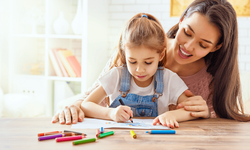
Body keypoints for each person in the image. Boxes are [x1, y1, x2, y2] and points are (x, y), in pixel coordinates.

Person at [52, 0, 250, 125]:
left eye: (203, 44)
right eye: (187, 32)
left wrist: (207, 112)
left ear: (216, 47)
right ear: (181, 20)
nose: (188, 46)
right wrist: (76, 105)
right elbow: (92, 97)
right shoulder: (142, 46)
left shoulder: (211, 77)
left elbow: (217, 119)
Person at [80, 13, 197, 128]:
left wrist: (173, 115)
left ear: (161, 55)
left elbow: (192, 110)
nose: (139, 70)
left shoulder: (169, 79)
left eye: (148, 62)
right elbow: (86, 105)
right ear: (125, 54)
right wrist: (110, 113)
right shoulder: (117, 75)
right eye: (132, 61)